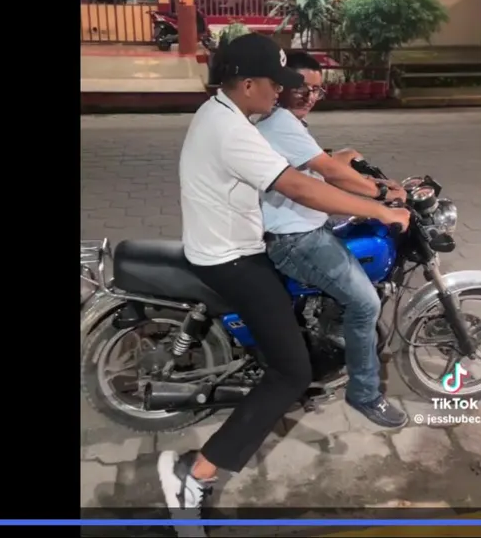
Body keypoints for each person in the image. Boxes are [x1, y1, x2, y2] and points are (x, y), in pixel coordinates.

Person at [159, 33, 411, 523]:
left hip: (231, 247)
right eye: (274, 82)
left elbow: (309, 167)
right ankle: (195, 473)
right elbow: (301, 187)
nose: (281, 91)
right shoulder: (231, 129)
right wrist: (380, 209)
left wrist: (353, 173)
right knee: (290, 373)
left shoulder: (226, 115)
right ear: (247, 83)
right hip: (232, 259)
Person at [256, 51, 410, 428]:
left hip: (303, 228)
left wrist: (357, 168)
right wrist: (382, 198)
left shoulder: (284, 122)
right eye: (301, 88)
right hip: (296, 238)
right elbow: (330, 173)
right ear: (280, 85)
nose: (309, 96)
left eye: (317, 90)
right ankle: (365, 394)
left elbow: (319, 165)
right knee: (365, 304)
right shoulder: (281, 123)